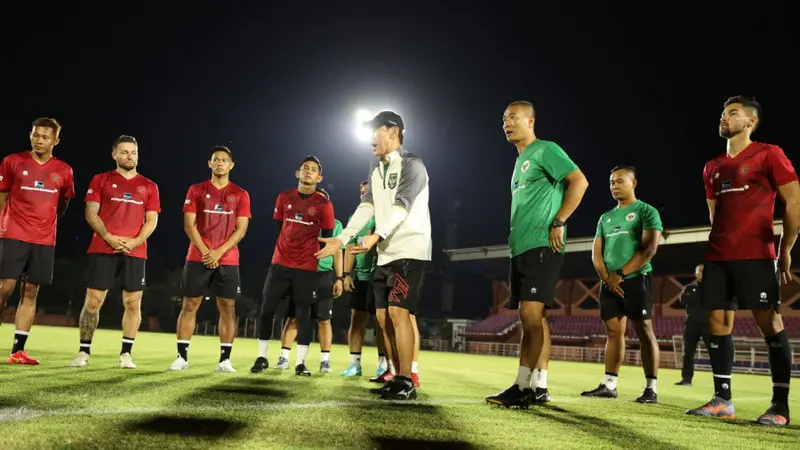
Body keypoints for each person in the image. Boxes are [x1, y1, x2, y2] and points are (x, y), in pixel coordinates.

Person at [687, 96, 799, 426]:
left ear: (750, 121)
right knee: (717, 325)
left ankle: (780, 407)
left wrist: (785, 247)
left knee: (770, 325)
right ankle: (723, 400)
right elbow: (715, 218)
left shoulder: (769, 154)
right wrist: (709, 256)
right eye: (722, 113)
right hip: (720, 257)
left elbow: (793, 202)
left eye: (732, 113)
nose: (724, 117)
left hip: (757, 254)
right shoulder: (712, 167)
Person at [317, 111, 431, 400]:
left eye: (375, 131)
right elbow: (365, 209)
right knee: (382, 319)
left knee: (397, 313)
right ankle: (395, 376)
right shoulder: (377, 172)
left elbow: (402, 207)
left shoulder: (412, 165)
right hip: (384, 254)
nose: (370, 139)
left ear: (393, 132)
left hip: (410, 250)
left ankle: (407, 380)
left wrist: (377, 235)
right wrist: (342, 239)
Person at [485, 101, 588, 408]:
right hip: (521, 247)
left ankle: (522, 387)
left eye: (513, 117)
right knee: (536, 317)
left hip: (542, 244)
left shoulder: (545, 149)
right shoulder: (519, 163)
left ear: (530, 121)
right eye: (504, 118)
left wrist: (559, 221)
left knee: (529, 314)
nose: (506, 123)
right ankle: (539, 384)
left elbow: (579, 181)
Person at [68, 135, 160, 369]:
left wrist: (135, 241)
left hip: (135, 251)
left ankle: (126, 354)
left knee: (132, 303)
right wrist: (108, 237)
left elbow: (151, 220)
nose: (130, 156)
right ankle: (83, 352)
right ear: (114, 155)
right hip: (102, 248)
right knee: (94, 301)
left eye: (133, 152)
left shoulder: (149, 186)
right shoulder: (101, 180)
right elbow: (91, 213)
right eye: (125, 152)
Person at [251, 156, 339, 377]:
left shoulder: (324, 204)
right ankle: (262, 357)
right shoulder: (284, 197)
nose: (308, 172)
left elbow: (327, 237)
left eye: (313, 170)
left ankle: (300, 363)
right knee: (266, 310)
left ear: (320, 177)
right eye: (305, 168)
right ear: (297, 173)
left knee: (303, 314)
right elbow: (279, 226)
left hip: (307, 268)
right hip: (280, 264)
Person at [581, 165, 662, 403]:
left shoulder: (647, 211)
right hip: (609, 283)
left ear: (633, 183)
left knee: (644, 331)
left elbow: (648, 249)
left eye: (620, 181)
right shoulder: (605, 218)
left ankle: (650, 388)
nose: (614, 186)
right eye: (611, 183)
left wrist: (620, 274)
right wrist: (607, 278)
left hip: (636, 279)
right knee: (613, 332)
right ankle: (609, 385)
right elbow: (596, 253)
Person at [0, 117, 75, 365]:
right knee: (4, 288)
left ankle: (18, 351)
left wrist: (47, 222)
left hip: (44, 239)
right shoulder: (13, 161)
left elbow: (63, 203)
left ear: (56, 140)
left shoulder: (64, 170)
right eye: (35, 135)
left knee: (31, 291)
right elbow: (2, 196)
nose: (39, 140)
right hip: (13, 234)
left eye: (44, 136)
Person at [169, 146, 251, 373]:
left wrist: (219, 252)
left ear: (231, 165)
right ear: (209, 163)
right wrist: (207, 251)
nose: (220, 163)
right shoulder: (196, 190)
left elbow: (241, 229)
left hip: (228, 259)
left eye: (224, 160)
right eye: (216, 160)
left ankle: (224, 360)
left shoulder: (241, 194)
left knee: (227, 307)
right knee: (190, 305)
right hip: (198, 256)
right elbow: (189, 225)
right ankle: (181, 357)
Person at [276, 188, 343, 373]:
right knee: (295, 317)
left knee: (324, 319)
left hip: (324, 275)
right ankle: (284, 358)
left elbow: (338, 252)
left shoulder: (336, 225)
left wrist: (339, 277)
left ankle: (325, 361)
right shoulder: (300, 218)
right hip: (301, 273)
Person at [339, 180, 388, 379]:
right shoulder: (355, 217)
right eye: (361, 191)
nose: (363, 193)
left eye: (367, 190)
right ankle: (355, 365)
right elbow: (350, 246)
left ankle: (383, 365)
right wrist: (346, 274)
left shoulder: (384, 216)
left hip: (379, 276)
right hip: (359, 277)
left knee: (381, 322)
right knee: (356, 320)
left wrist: (373, 240)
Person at [676, 263, 709, 386]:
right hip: (691, 323)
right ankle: (686, 379)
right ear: (695, 273)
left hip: (708, 324)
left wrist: (693, 298)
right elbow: (683, 299)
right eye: (699, 271)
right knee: (688, 352)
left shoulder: (712, 288)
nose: (701, 274)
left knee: (714, 351)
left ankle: (720, 379)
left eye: (703, 271)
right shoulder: (689, 287)